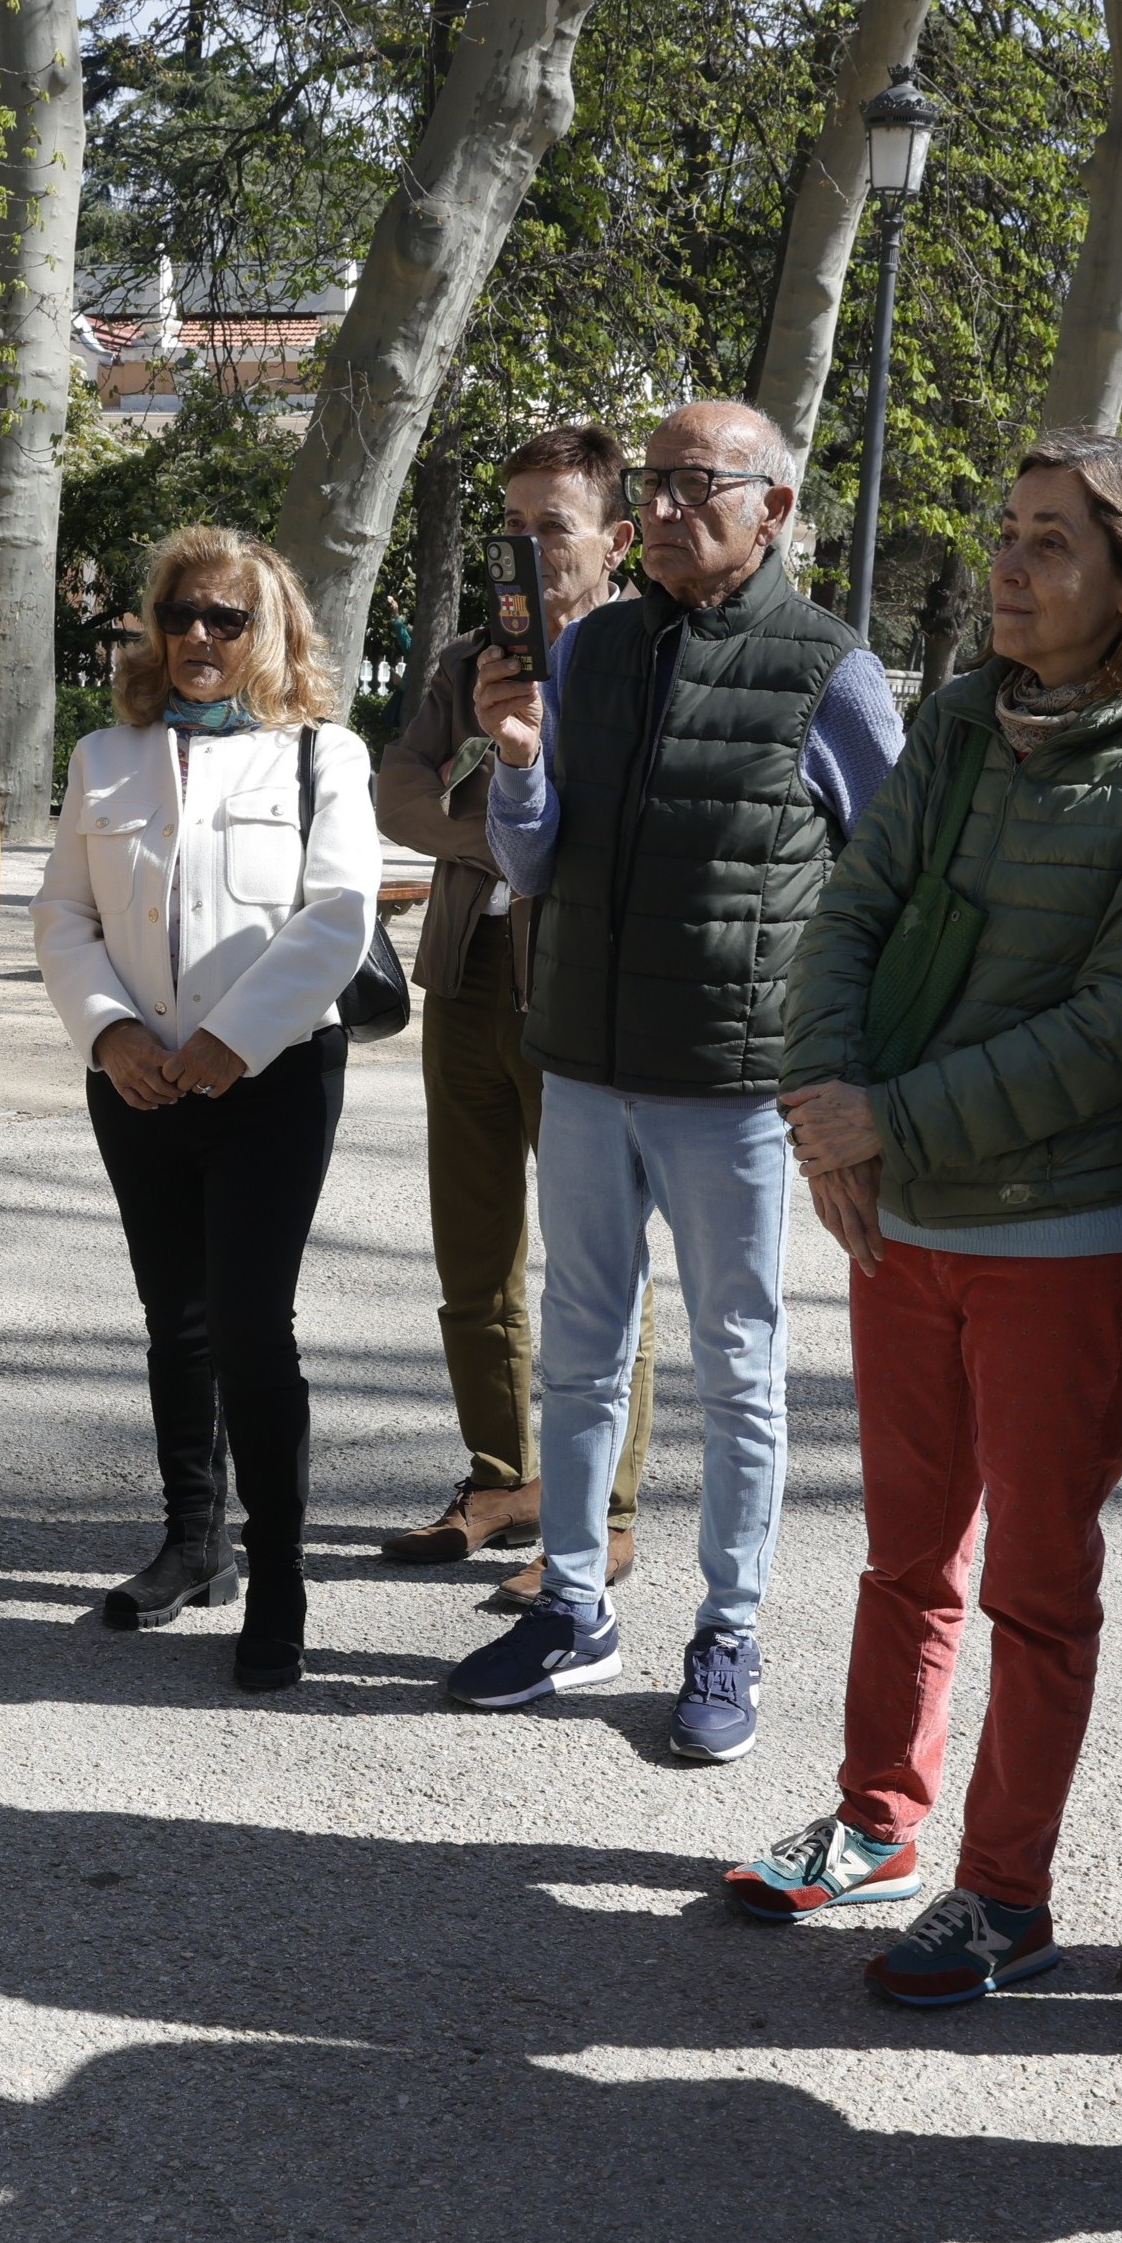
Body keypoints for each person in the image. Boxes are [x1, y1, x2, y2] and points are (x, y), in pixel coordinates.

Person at [727, 432, 1122, 2012]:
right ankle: (879, 1821)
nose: (1008, 566)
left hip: (1056, 1236)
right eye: (1006, 533)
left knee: (1037, 1584)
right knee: (903, 1555)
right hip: (901, 1215)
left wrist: (896, 1118)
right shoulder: (952, 714)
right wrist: (824, 1108)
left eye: (1052, 544)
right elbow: (853, 908)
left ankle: (1006, 1894)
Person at [440, 399, 904, 1758]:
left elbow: (890, 882)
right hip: (585, 1065)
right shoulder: (596, 653)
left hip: (739, 1086)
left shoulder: (829, 669)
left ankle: (731, 1631)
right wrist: (518, 768)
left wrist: (852, 1079)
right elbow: (531, 864)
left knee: (740, 1368)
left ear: (773, 505)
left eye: (700, 482)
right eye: (654, 484)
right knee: (580, 1354)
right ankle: (574, 1606)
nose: (666, 506)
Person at [32, 527, 377, 1688]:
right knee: (172, 1318)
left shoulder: (321, 756)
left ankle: (278, 1577)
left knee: (248, 1327)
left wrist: (232, 1041)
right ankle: (193, 1543)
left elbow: (339, 916)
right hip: (137, 1077)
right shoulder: (107, 756)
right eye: (180, 614)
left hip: (269, 1080)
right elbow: (64, 915)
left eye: (226, 619)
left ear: (267, 631)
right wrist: (112, 1032)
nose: (197, 637)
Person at [375, 424, 657, 1605]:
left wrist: (539, 825)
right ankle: (502, 1475)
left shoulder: (647, 656)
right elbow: (395, 789)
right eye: (516, 525)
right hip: (467, 973)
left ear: (618, 540)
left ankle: (609, 1508)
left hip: (582, 989)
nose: (531, 549)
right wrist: (499, 820)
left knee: (600, 1262)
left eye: (556, 525)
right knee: (471, 1248)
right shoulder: (467, 655)